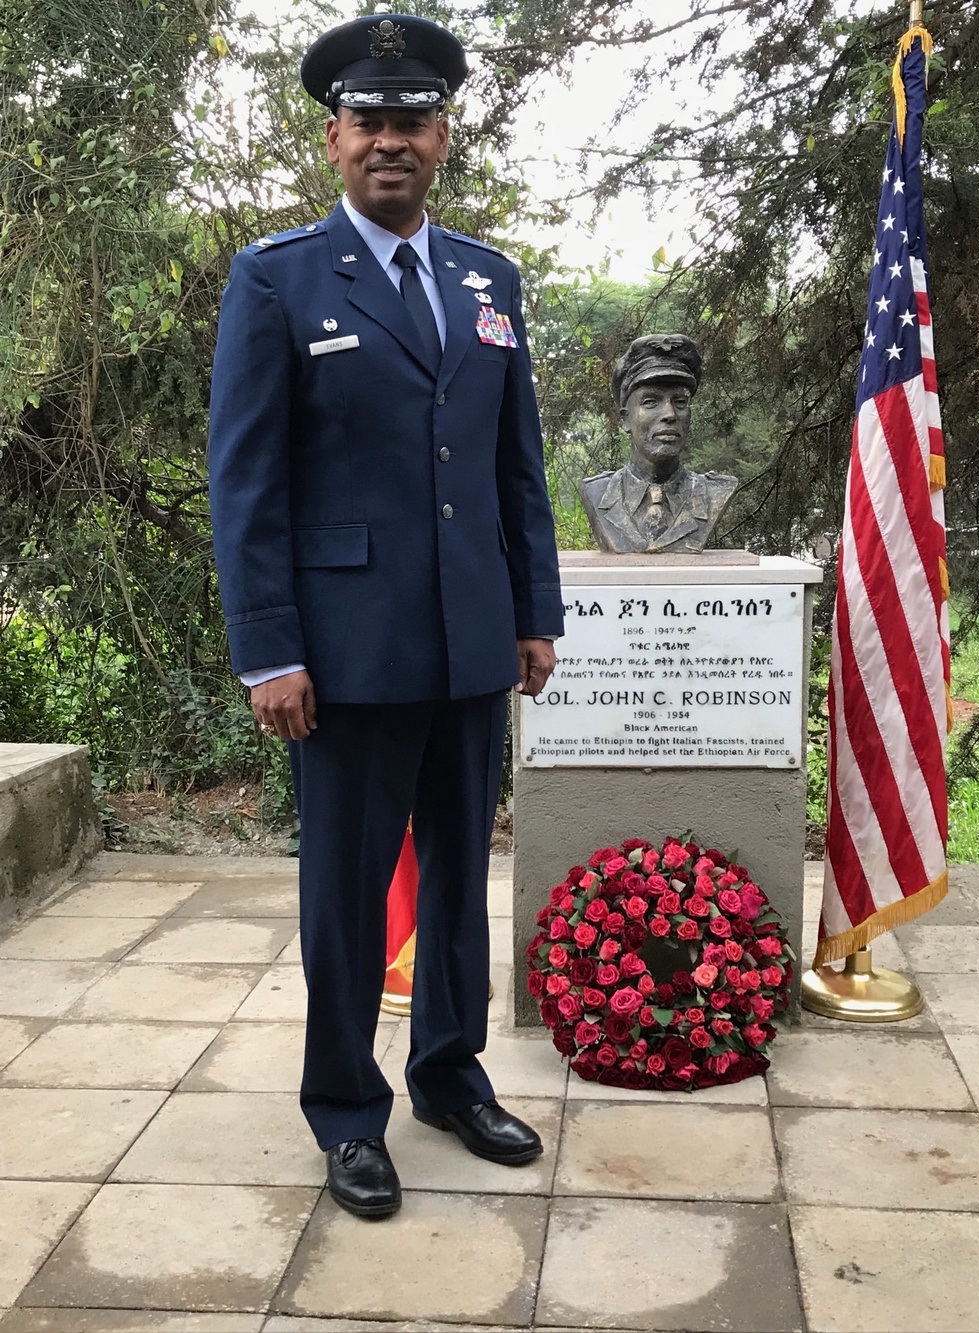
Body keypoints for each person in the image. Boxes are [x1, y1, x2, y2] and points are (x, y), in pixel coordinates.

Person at [208, 12, 563, 1220]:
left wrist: (532, 612)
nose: (391, 142)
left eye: (412, 121)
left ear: (443, 137)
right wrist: (269, 648)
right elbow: (245, 480)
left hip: (469, 640)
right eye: (370, 122)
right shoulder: (278, 277)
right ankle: (346, 1111)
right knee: (347, 899)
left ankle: (450, 1075)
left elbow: (518, 465)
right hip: (343, 656)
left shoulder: (487, 280)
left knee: (462, 879)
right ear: (334, 141)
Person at [581, 334, 737, 553]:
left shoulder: (716, 491)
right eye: (651, 402)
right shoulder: (596, 492)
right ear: (626, 419)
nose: (670, 414)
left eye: (680, 402)